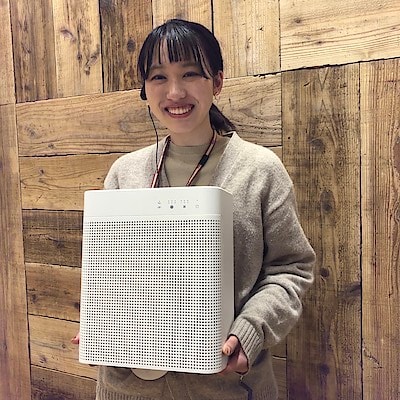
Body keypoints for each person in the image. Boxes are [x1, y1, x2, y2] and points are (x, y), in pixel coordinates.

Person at [72, 18, 315, 400]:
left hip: (223, 386)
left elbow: (291, 269)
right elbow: (107, 274)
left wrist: (249, 331)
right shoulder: (124, 172)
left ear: (216, 82)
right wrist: (99, 326)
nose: (175, 92)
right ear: (144, 89)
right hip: (127, 387)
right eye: (158, 77)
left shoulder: (259, 170)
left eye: (190, 74)